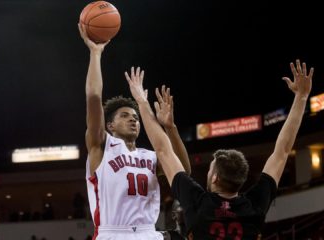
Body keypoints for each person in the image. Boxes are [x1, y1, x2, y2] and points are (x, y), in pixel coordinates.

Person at [125, 59, 314, 239]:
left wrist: (142, 101)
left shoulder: (197, 202)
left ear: (214, 177)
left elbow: (163, 149)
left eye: (210, 169)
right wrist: (301, 97)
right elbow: (282, 151)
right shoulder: (253, 206)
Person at [78, 23, 190, 240]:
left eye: (136, 117)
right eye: (125, 116)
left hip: (149, 233)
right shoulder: (101, 146)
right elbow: (93, 96)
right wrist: (95, 53)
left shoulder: (149, 156)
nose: (133, 119)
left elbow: (183, 171)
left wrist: (170, 128)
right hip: (113, 233)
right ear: (109, 125)